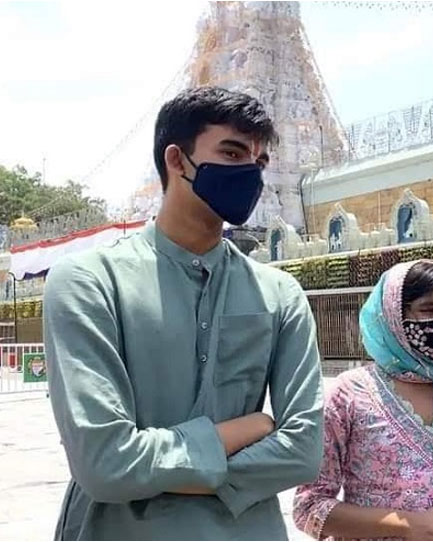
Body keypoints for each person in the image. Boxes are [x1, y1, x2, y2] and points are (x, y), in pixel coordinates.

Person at [44, 87, 324, 540]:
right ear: (177, 160)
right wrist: (251, 428)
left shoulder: (279, 294)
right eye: (231, 153)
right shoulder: (90, 282)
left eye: (260, 162)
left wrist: (154, 471)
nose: (249, 173)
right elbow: (104, 463)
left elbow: (304, 451)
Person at [293, 260, 433, 540]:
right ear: (394, 316)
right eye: (429, 310)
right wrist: (408, 524)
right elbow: (309, 506)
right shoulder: (351, 394)